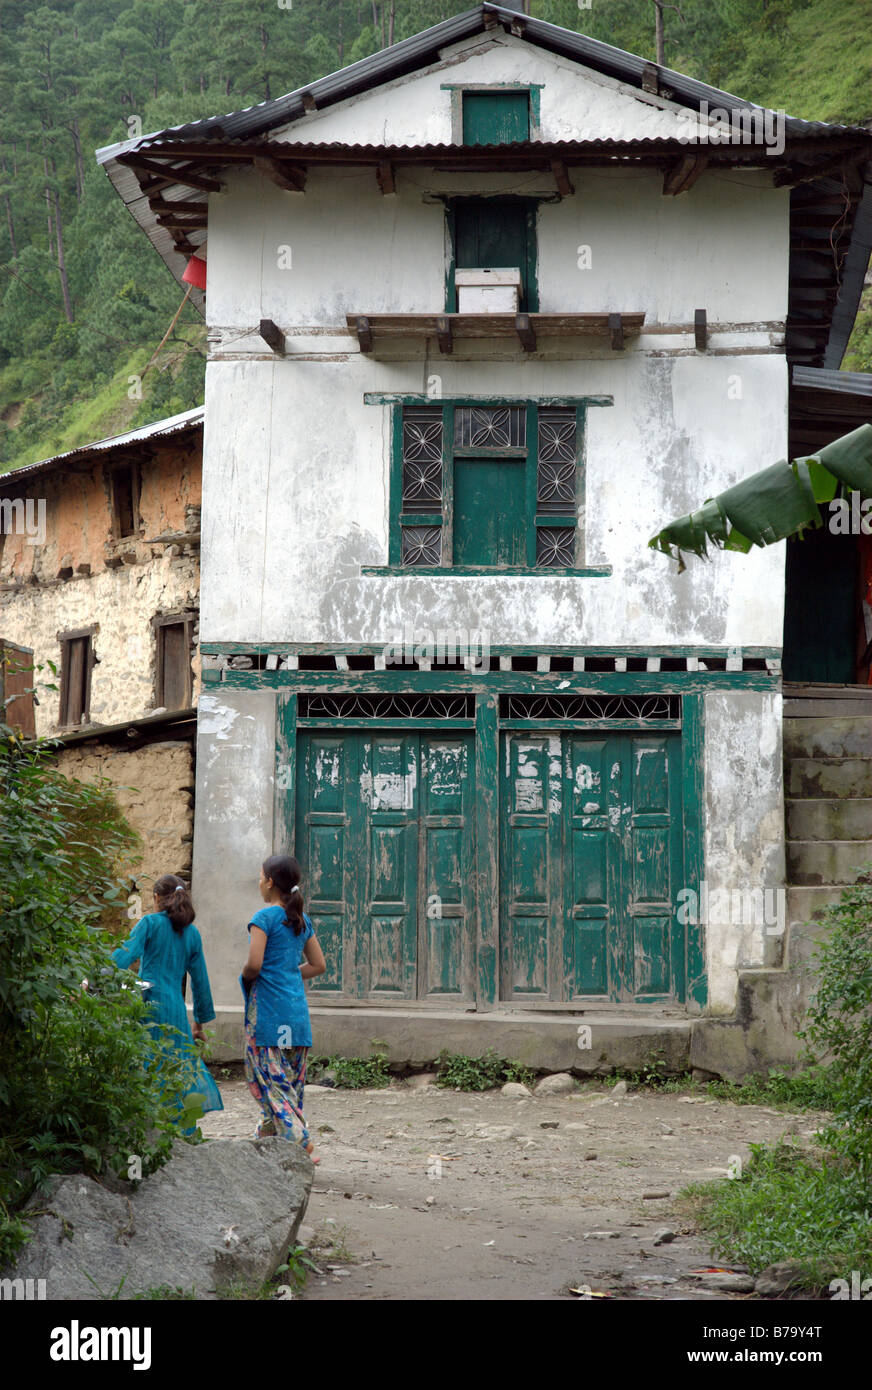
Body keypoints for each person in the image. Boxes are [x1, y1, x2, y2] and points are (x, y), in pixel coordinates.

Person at [111, 873, 223, 1124]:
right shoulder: (192, 934)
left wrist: (96, 979)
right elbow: (201, 982)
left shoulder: (149, 923)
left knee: (148, 1064)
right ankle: (180, 1128)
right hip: (175, 1010)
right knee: (177, 1066)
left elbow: (124, 956)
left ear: (157, 897)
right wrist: (199, 1023)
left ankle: (147, 1125)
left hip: (149, 1003)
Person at [241, 854, 326, 1160]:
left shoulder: (263, 918)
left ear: (270, 882)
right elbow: (319, 965)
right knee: (287, 1085)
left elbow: (254, 964)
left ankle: (301, 1143)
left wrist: (248, 975)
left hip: (268, 1014)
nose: (259, 882)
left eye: (260, 876)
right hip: (296, 1016)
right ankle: (266, 1139)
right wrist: (289, 972)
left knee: (267, 1080)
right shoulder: (302, 921)